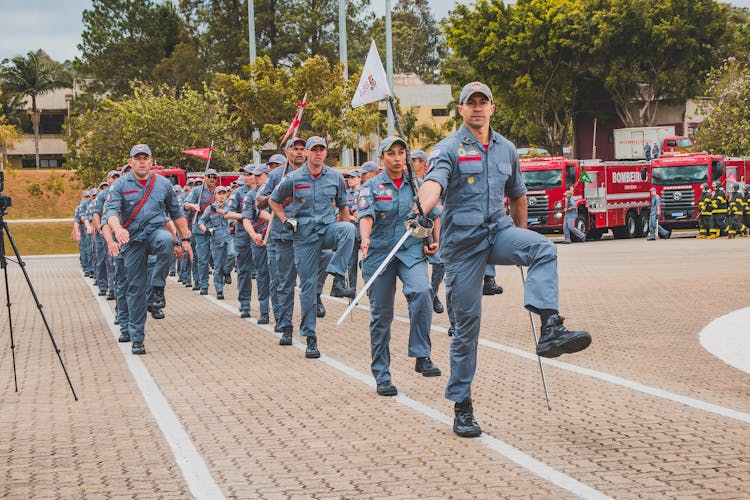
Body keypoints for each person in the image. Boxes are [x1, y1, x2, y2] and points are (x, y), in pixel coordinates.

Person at [417, 82, 591, 438]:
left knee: (543, 248)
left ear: (492, 108)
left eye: (484, 102)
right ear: (461, 110)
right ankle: (462, 405)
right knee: (466, 329)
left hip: (497, 233)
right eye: (471, 103)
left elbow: (517, 194)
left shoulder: (507, 149)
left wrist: (521, 239)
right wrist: (422, 209)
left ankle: (550, 328)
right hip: (463, 247)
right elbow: (433, 183)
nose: (478, 108)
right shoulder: (447, 148)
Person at [359, 136, 442, 396]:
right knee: (381, 317)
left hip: (410, 251)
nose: (397, 158)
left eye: (401, 153)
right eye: (391, 153)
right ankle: (382, 375)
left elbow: (435, 214)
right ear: (381, 157)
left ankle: (421, 354)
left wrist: (435, 241)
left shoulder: (417, 185)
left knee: (421, 292)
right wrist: (365, 238)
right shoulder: (371, 186)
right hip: (379, 254)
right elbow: (366, 215)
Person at [269, 136, 356, 358]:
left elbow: (343, 206)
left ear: (326, 153)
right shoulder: (295, 177)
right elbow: (274, 200)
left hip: (327, 230)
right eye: (313, 150)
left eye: (321, 150)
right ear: (307, 153)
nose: (318, 154)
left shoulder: (335, 177)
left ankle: (337, 279)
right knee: (307, 287)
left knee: (348, 230)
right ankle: (310, 337)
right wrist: (285, 220)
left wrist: (342, 241)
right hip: (304, 236)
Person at [104, 144, 192, 354]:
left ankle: (157, 288)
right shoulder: (120, 185)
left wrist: (185, 239)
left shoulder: (163, 184)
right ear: (130, 161)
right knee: (134, 289)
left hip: (155, 232)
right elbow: (112, 212)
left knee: (165, 241)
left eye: (146, 157)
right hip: (132, 240)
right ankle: (137, 337)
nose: (142, 161)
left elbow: (176, 213)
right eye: (138, 158)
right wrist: (117, 229)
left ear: (151, 161)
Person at [258, 138, 332, 342]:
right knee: (285, 281)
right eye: (294, 149)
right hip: (285, 236)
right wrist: (279, 191)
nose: (298, 153)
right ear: (287, 151)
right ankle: (285, 323)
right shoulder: (276, 175)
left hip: (310, 235)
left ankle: (317, 295)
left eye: (302, 149)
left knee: (324, 261)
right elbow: (261, 202)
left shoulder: (317, 174)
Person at [224, 165, 257, 317]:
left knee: (266, 272)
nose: (246, 177)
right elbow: (227, 213)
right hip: (243, 235)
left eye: (249, 174)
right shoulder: (238, 193)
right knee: (244, 270)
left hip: (262, 233)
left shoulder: (265, 190)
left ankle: (266, 306)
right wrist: (244, 217)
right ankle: (245, 304)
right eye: (244, 174)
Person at [184, 169, 218, 294]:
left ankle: (219, 283)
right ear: (205, 177)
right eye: (210, 176)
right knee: (202, 258)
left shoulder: (219, 192)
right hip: (200, 229)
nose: (212, 179)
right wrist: (192, 206)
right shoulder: (197, 191)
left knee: (219, 258)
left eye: (214, 177)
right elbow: (185, 204)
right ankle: (202, 283)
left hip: (216, 228)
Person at [199, 185, 231, 298]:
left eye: (224, 193)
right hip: (217, 239)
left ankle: (227, 271)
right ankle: (219, 290)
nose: (222, 196)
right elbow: (201, 222)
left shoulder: (231, 206)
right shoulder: (211, 208)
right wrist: (206, 230)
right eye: (219, 193)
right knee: (217, 266)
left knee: (232, 255)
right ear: (215, 195)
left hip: (230, 237)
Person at [343, 168, 362, 290]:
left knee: (367, 262)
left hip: (367, 232)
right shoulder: (345, 194)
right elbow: (340, 213)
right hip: (352, 232)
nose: (350, 180)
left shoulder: (366, 191)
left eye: (353, 177)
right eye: (348, 177)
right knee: (351, 263)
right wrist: (352, 217)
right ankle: (352, 292)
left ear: (360, 178)